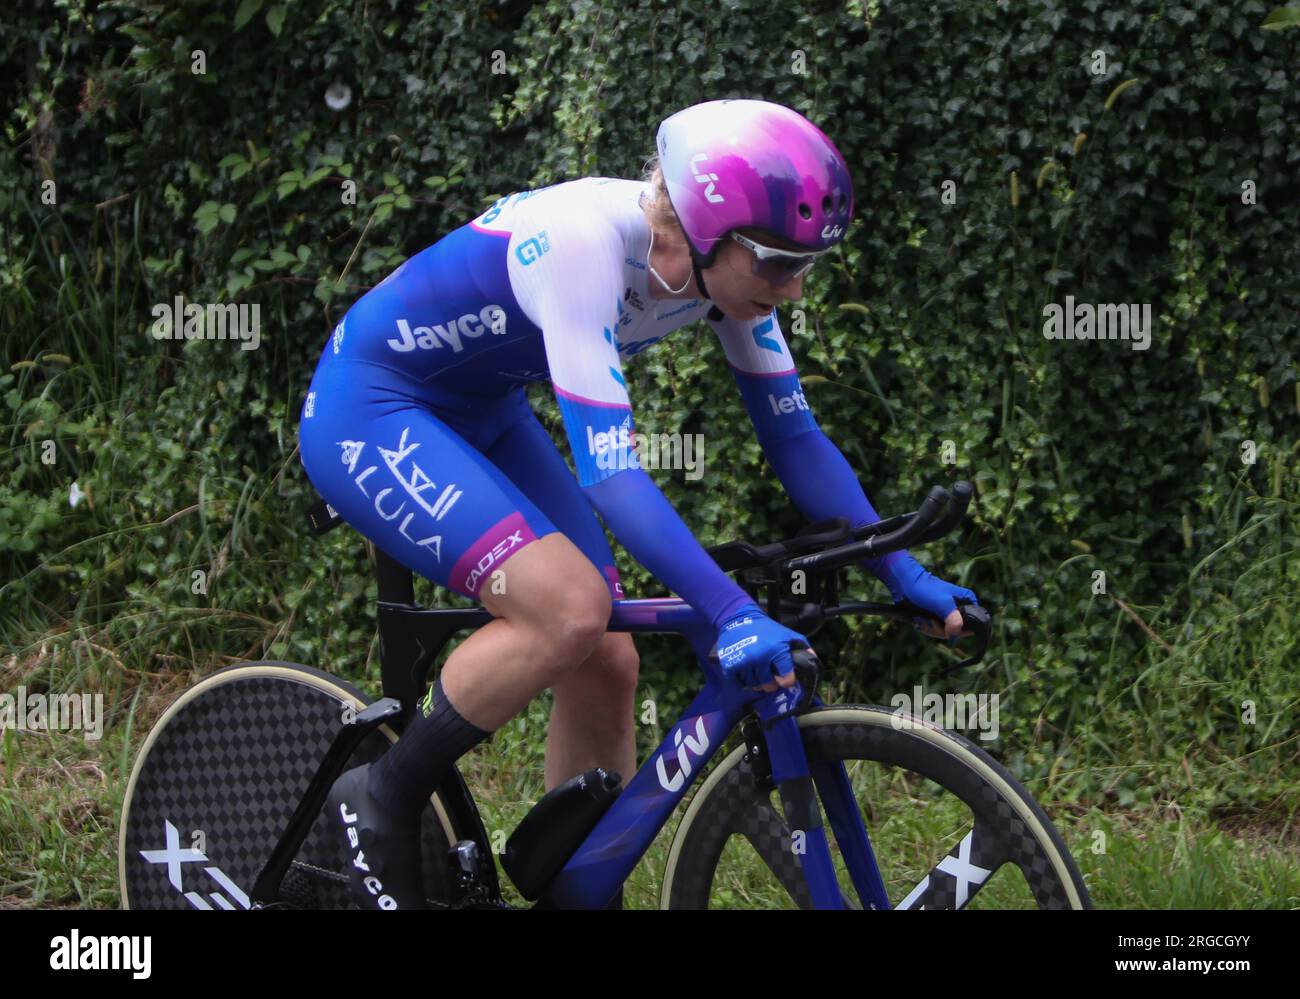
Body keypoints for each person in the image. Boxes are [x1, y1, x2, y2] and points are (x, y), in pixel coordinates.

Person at [297, 98, 978, 910]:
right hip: (372, 406)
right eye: (775, 263)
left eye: (807, 267)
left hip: (484, 408)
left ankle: (579, 891)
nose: (792, 289)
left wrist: (901, 567)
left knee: (610, 652)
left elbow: (795, 440)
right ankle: (379, 791)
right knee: (572, 609)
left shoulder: (724, 280)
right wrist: (729, 611)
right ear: (704, 226)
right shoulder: (585, 244)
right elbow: (612, 474)